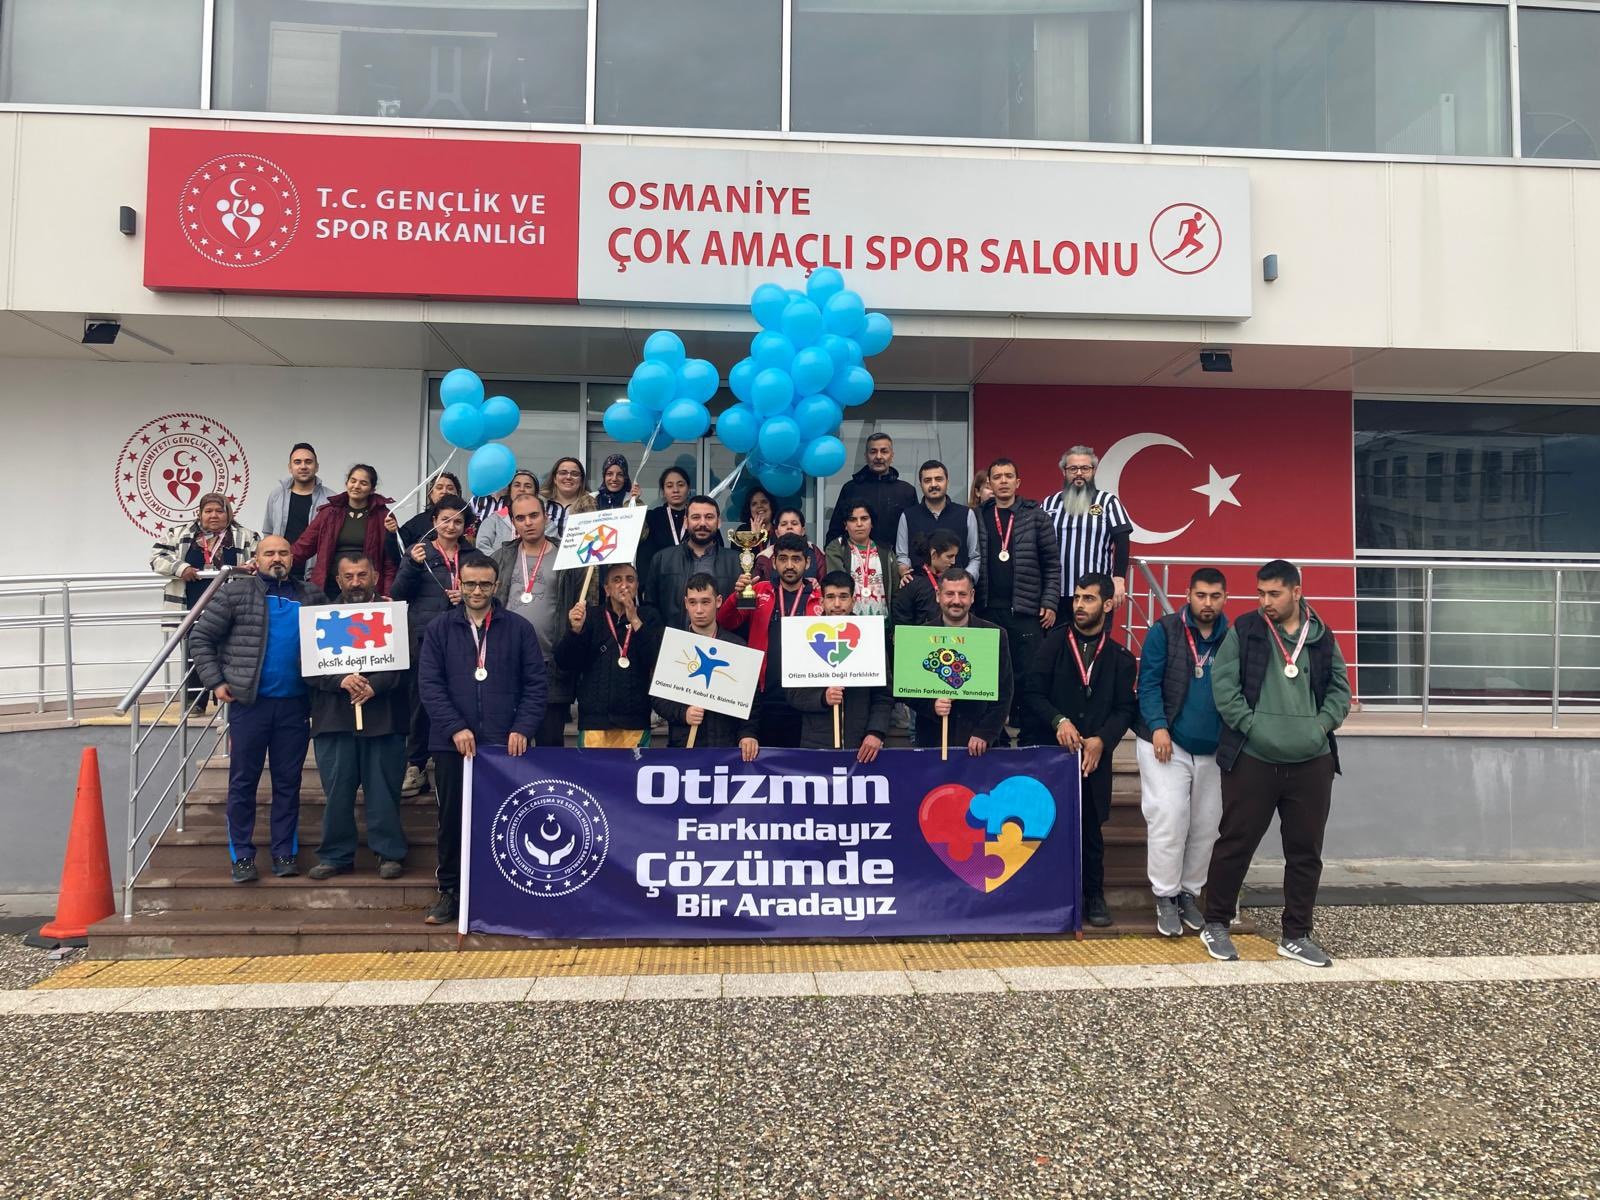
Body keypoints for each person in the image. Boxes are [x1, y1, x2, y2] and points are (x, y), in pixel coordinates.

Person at [1200, 560, 1352, 969]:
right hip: (1253, 758)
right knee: (1236, 843)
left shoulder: (1321, 635)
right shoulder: (1246, 630)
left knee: (1305, 851)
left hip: (1311, 762)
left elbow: (1340, 690)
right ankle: (1215, 923)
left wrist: (1319, 727)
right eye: (1260, 593)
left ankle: (1296, 934)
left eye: (1274, 593)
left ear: (1296, 592)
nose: (1265, 601)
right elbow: (1224, 687)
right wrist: (1252, 727)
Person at [418, 551, 547, 925]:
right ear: (459, 584)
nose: (477, 591)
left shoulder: (518, 628)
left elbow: (536, 684)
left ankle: (504, 890)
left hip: (504, 745)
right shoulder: (440, 628)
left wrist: (523, 727)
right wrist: (454, 727)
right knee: (452, 820)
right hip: (452, 744)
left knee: (506, 820)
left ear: (497, 585)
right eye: (470, 583)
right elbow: (429, 685)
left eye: (485, 584)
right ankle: (450, 891)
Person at [189, 536, 324, 883]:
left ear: (292, 557)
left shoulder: (311, 595)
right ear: (256, 558)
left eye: (283, 552)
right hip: (249, 706)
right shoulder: (236, 593)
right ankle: (242, 856)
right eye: (270, 553)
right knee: (243, 783)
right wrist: (215, 681)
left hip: (295, 705)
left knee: (288, 784)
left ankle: (284, 852)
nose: (277, 558)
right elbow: (200, 637)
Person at [1020, 572, 1138, 928]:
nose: (1079, 605)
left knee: (1091, 830)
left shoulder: (1120, 657)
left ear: (1108, 604)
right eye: (1076, 598)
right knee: (1044, 826)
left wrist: (1102, 739)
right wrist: (1059, 720)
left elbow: (1125, 709)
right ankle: (1044, 896)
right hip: (1052, 755)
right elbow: (1032, 692)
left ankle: (1094, 895)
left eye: (1088, 599)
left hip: (1093, 756)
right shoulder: (1053, 643)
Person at [1134, 568, 1230, 937]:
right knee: (1170, 817)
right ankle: (1165, 895)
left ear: (1224, 598)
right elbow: (1148, 682)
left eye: (1215, 596)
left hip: (1214, 748)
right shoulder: (1165, 630)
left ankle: (1190, 893)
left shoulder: (1232, 637)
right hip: (1166, 743)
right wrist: (1158, 725)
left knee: (1206, 825)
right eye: (1201, 595)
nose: (1208, 603)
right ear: (1188, 594)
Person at [304, 552, 409, 881]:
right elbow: (307, 668)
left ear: (375, 576)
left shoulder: (393, 615)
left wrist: (376, 686)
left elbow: (408, 663)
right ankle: (335, 855)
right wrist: (340, 680)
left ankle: (389, 853)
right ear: (338, 580)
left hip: (383, 719)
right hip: (335, 720)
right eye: (348, 576)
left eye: (362, 575)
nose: (356, 583)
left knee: (383, 792)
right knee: (337, 793)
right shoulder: (320, 617)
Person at [150, 493, 262, 714]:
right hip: (191, 606)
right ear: (199, 514)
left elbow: (260, 557)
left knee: (231, 652)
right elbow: (156, 557)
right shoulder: (179, 533)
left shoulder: (246, 536)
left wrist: (249, 566)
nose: (214, 515)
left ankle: (229, 705)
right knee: (194, 653)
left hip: (232, 607)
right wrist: (180, 568)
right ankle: (194, 702)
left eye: (219, 511)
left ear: (228, 513)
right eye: (208, 511)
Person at [391, 494, 471, 798]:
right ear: (434, 521)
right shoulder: (418, 551)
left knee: (458, 698)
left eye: (458, 521)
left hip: (462, 637)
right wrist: (412, 565)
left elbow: (487, 594)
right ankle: (416, 764)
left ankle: (449, 762)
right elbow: (398, 593)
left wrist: (465, 597)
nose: (451, 526)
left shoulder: (473, 555)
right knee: (421, 702)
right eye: (445, 520)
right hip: (424, 637)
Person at [718, 533, 823, 749]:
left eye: (796, 559)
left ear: (807, 562)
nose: (789, 565)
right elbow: (727, 622)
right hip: (764, 695)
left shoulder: (819, 598)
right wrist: (736, 597)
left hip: (805, 698)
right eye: (783, 559)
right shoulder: (758, 591)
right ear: (774, 562)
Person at [492, 492, 576, 748]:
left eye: (533, 515)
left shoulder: (567, 557)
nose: (528, 522)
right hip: (508, 663)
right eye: (520, 518)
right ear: (513, 523)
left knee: (550, 744)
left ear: (546, 517)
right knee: (511, 745)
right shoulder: (501, 557)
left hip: (550, 664)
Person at [975, 457, 1061, 693]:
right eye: (997, 477)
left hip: (1026, 611)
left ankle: (1025, 718)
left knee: (1027, 676)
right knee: (989, 674)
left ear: (1018, 482)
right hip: (986, 609)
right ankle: (996, 719)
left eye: (1008, 476)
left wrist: (1050, 602)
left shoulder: (1037, 516)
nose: (1003, 481)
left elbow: (1052, 565)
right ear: (989, 483)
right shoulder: (977, 516)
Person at [652, 572, 760, 760]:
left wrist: (748, 733)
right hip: (685, 746)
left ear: (718, 601)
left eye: (705, 602)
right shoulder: (674, 646)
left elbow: (752, 700)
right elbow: (658, 698)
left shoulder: (737, 646)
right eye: (693, 602)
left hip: (727, 747)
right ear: (685, 603)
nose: (699, 610)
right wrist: (683, 713)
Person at [787, 571, 892, 762]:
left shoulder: (870, 636)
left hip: (862, 745)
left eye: (843, 597)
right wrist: (822, 698)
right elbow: (793, 694)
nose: (837, 604)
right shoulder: (803, 635)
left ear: (853, 601)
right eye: (830, 597)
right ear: (821, 602)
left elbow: (883, 694)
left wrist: (876, 732)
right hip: (816, 744)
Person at [905, 569, 1012, 757]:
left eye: (962, 594)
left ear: (972, 596)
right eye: (949, 594)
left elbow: (1004, 692)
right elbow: (908, 690)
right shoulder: (921, 636)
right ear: (938, 595)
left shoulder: (994, 636)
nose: (956, 601)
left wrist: (984, 733)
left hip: (980, 745)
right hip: (933, 742)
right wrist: (932, 706)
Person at [555, 561, 662, 747]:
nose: (624, 585)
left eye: (630, 580)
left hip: (634, 719)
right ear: (607, 588)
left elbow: (656, 660)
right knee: (591, 768)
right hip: (595, 720)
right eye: (617, 580)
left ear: (637, 586)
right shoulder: (590, 616)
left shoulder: (649, 616)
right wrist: (575, 631)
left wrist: (635, 620)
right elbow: (565, 662)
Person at [1041, 446, 1133, 610]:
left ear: (1094, 471)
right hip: (1055, 594)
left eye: (1085, 468)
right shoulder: (1049, 503)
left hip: (1096, 593)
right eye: (1073, 469)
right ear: (1064, 472)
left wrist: (1119, 579)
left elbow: (1122, 541)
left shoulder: (1108, 501)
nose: (1079, 473)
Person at [290, 464, 398, 596]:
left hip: (365, 589)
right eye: (353, 481)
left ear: (372, 489)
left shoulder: (384, 516)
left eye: (363, 483)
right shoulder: (329, 513)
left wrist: (387, 595)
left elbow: (390, 563)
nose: (356, 486)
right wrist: (278, 560)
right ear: (347, 483)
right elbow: (303, 547)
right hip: (329, 587)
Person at [643, 494, 742, 632]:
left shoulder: (737, 562)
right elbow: (650, 608)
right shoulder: (662, 560)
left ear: (718, 522)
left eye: (709, 517)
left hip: (722, 643)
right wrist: (661, 637)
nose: (702, 523)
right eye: (696, 517)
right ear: (685, 522)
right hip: (674, 642)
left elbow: (745, 611)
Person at [824, 432, 917, 546]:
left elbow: (915, 532)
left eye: (884, 451)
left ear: (892, 456)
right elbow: (835, 531)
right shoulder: (851, 489)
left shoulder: (906, 491)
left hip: (895, 556)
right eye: (873, 452)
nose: (878, 456)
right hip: (854, 556)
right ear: (866, 456)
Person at [895, 460, 981, 583]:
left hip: (957, 588)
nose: (933, 484)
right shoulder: (908, 516)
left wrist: (967, 579)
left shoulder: (966, 514)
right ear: (920, 485)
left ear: (947, 482)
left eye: (939, 479)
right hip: (920, 588)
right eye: (927, 480)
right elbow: (902, 555)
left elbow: (975, 556)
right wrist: (904, 572)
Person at [261, 443, 333, 578]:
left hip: (315, 575)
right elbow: (268, 533)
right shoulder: (276, 495)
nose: (303, 466)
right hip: (279, 572)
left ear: (317, 466)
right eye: (297, 462)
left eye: (308, 462)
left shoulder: (331, 500)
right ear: (290, 467)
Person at [825, 501, 897, 620]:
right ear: (845, 525)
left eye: (864, 519)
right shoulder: (836, 548)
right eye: (852, 520)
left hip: (883, 624)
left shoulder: (886, 551)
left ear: (872, 523)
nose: (859, 524)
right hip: (849, 623)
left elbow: (895, 591)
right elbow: (837, 585)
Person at [891, 530, 959, 629]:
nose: (953, 562)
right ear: (934, 554)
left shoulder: (957, 579)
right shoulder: (911, 581)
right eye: (949, 556)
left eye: (955, 556)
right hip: (922, 637)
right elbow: (901, 620)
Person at [390, 471, 475, 548]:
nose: (444, 491)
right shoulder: (418, 522)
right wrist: (392, 532)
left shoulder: (468, 520)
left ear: (457, 494)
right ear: (430, 494)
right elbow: (398, 549)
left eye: (450, 488)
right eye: (439, 487)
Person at [638, 465, 694, 581]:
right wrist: (635, 502)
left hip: (695, 582)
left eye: (680, 485)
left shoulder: (698, 517)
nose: (675, 490)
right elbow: (644, 554)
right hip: (661, 581)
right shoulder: (653, 517)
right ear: (663, 491)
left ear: (688, 489)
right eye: (669, 486)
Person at [474, 468, 539, 555]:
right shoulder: (494, 520)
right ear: (509, 491)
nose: (522, 489)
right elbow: (481, 546)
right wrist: (502, 562)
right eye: (517, 485)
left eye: (528, 486)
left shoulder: (544, 521)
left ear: (535, 493)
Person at [755, 505, 825, 584]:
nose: (789, 527)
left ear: (803, 531)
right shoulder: (765, 556)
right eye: (784, 524)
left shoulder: (816, 552)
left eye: (794, 523)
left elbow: (824, 584)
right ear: (777, 533)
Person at [541, 456, 594, 542]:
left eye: (575, 474)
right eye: (563, 473)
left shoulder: (593, 507)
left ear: (581, 481)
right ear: (554, 479)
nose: (569, 477)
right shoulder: (540, 505)